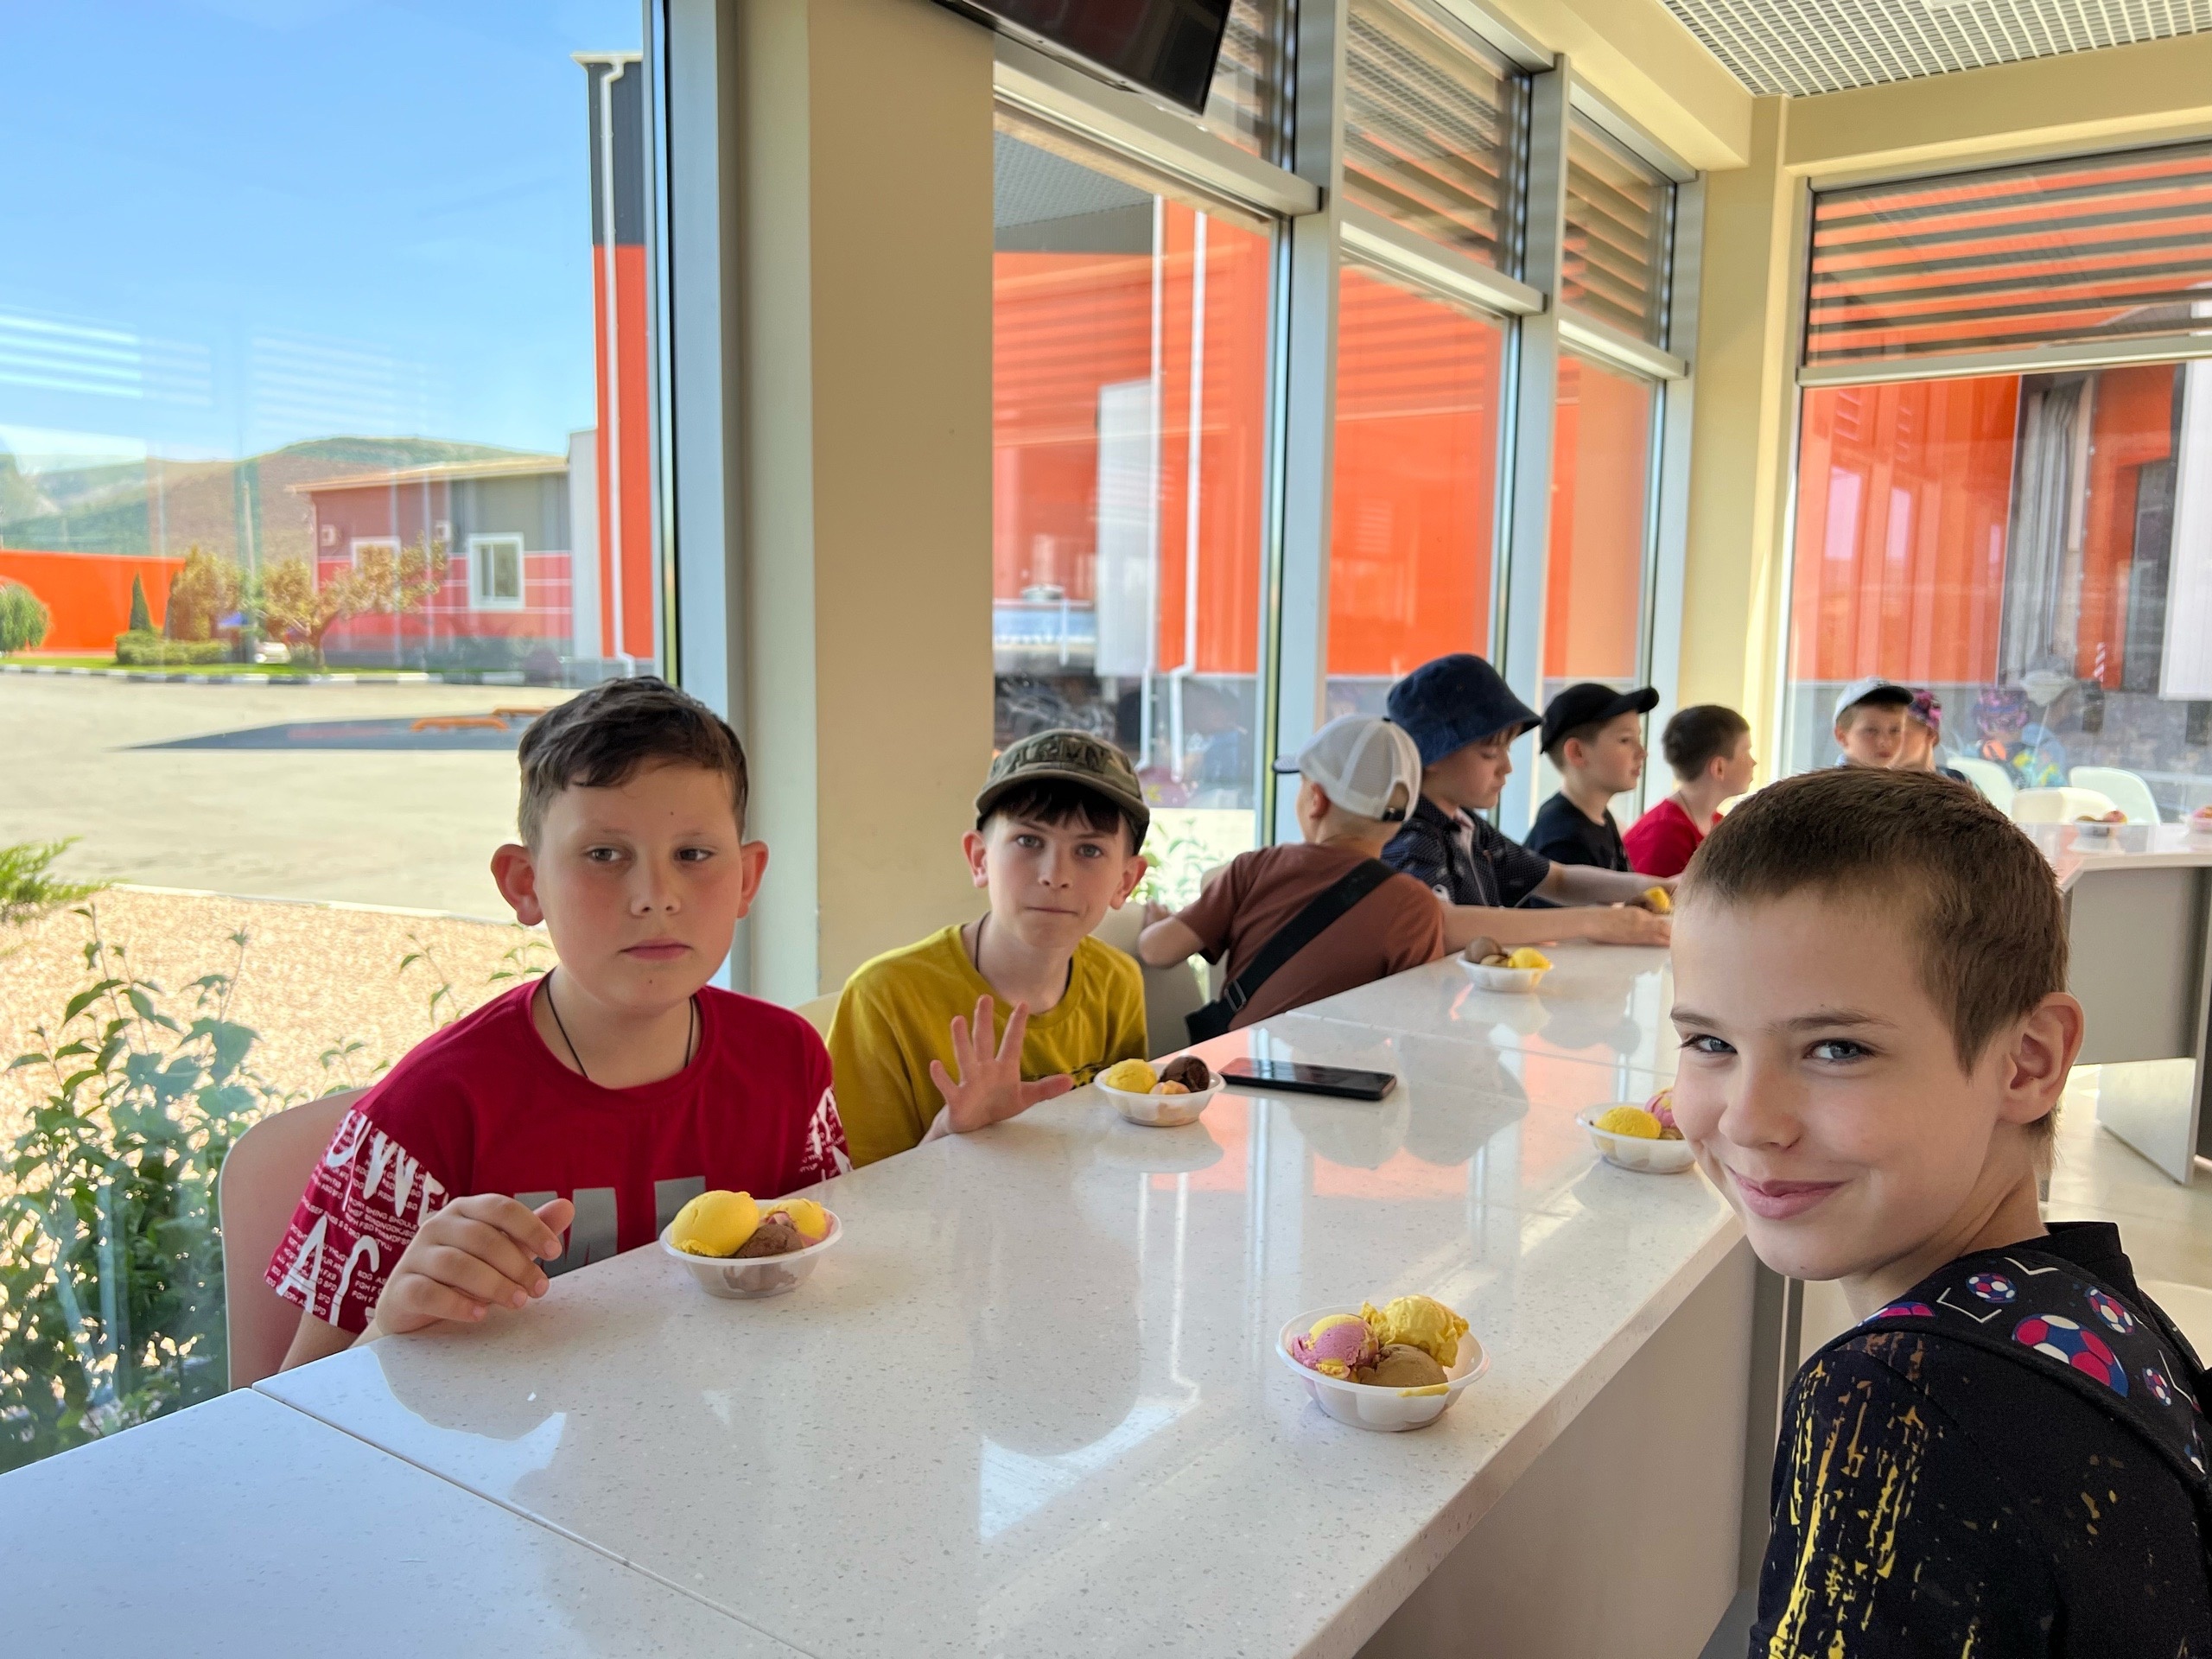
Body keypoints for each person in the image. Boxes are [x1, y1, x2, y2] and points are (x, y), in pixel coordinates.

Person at [1669, 768, 2212, 1655]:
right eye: (1708, 1042)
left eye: (1837, 1049)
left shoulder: (1898, 1410)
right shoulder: (2096, 1314)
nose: (1747, 1121)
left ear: (2027, 1062)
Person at [269, 677, 850, 1369]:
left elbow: (822, 1272)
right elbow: (291, 1399)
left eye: (692, 855)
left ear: (747, 879)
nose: (655, 897)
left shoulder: (789, 1061)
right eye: (604, 855)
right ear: (526, 883)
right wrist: (392, 1326)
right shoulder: (422, 1114)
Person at [828, 729, 1148, 1166]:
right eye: (1029, 841)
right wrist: (948, 1134)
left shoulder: (1118, 982)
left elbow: (1121, 1150)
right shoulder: (884, 999)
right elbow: (857, 1197)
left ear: (1126, 880)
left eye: (1089, 850)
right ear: (979, 859)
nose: (1056, 875)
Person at [1136, 714, 1446, 1035]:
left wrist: (1159, 924)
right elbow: (1419, 1029)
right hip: (1345, 1066)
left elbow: (1157, 951)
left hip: (1242, 1059)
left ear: (1316, 800)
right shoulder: (1415, 906)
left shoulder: (1255, 867)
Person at [1381, 653, 1673, 956]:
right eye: (1490, 753)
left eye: (1506, 750)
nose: (1507, 767)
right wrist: (1593, 921)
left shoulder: (1467, 825)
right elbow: (1441, 924)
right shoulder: (1410, 835)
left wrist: (1660, 886)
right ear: (1431, 754)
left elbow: (1558, 879)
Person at [1525, 683, 1659, 872]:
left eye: (1638, 739)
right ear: (1577, 752)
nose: (1642, 753)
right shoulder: (1563, 843)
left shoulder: (1599, 816)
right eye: (1625, 740)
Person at [1624, 704, 1753, 878]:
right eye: (1746, 752)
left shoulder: (1720, 824)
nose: (1753, 762)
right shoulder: (1664, 835)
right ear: (1719, 768)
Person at [1832, 675, 1913, 768]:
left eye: (1895, 730)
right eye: (1871, 730)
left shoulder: (1900, 776)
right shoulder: (1828, 779)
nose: (1886, 742)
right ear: (1841, 736)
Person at [1897, 687, 1972, 784]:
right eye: (1878, 731)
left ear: (1930, 733)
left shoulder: (1959, 782)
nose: (1884, 740)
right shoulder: (1880, 787)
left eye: (1896, 731)